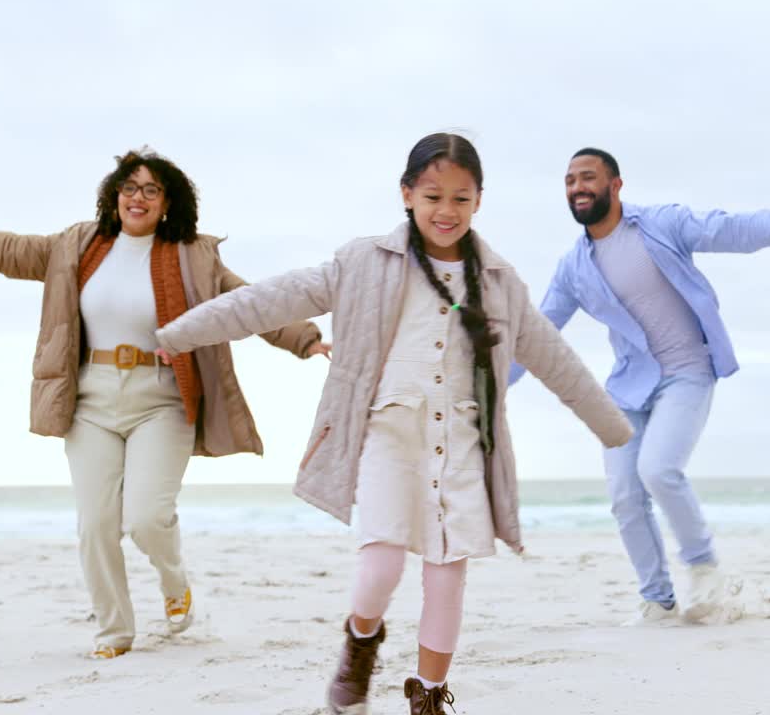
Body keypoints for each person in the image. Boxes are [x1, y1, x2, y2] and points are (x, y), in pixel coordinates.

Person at [152, 133, 632, 714]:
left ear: (479, 200)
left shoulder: (501, 282)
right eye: (433, 196)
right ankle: (360, 645)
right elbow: (264, 301)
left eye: (460, 198)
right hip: (388, 434)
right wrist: (176, 335)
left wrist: (615, 430)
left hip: (461, 444)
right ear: (407, 194)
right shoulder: (362, 263)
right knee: (379, 567)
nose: (446, 211)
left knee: (448, 575)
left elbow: (559, 362)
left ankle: (429, 696)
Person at [0, 148, 328, 659]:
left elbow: (245, 303)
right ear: (114, 195)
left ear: (168, 202)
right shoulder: (78, 245)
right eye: (129, 187)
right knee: (96, 523)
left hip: (161, 399)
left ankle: (175, 585)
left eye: (150, 190)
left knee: (145, 517)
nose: (136, 198)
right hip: (91, 399)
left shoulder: (194, 257)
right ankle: (114, 632)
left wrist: (304, 338)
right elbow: (6, 250)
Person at [510, 147, 770, 624]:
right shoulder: (574, 266)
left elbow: (729, 227)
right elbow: (537, 334)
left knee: (658, 469)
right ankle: (657, 598)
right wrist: (488, 387)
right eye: (570, 181)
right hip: (628, 387)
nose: (577, 188)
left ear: (615, 186)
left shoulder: (660, 224)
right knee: (624, 495)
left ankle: (704, 569)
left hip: (687, 371)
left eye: (587, 178)